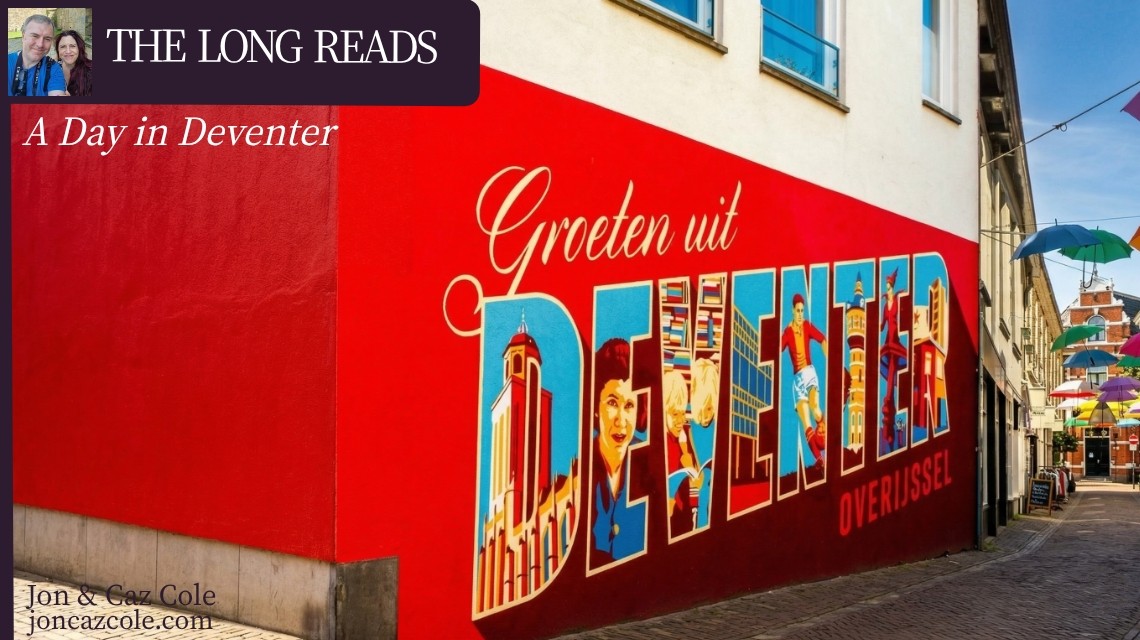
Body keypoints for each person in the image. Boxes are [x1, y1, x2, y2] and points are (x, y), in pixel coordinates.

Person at [590, 338, 645, 566]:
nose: (621, 421)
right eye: (612, 403)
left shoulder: (649, 463)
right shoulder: (581, 470)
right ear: (596, 407)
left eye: (629, 405)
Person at [780, 292, 827, 466]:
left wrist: (830, 358)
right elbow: (776, 349)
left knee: (815, 409)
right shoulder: (787, 332)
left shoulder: (807, 326)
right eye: (798, 311)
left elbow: (822, 339)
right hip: (797, 381)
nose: (800, 314)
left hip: (809, 373)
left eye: (802, 311)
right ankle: (819, 460)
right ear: (793, 310)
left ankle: (823, 426)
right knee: (806, 423)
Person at [879, 269, 908, 450]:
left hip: (895, 342)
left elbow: (903, 315)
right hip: (887, 342)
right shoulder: (885, 306)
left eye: (889, 286)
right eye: (886, 286)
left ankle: (889, 403)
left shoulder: (897, 300)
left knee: (892, 375)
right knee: (890, 375)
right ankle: (889, 404)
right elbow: (882, 325)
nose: (887, 289)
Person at [7, 15, 66, 97]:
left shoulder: (53, 69)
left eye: (47, 39)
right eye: (35, 36)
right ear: (23, 36)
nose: (40, 44)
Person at [56, 30, 93, 96]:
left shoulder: (90, 70)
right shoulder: (52, 70)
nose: (68, 51)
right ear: (58, 50)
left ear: (79, 48)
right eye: (63, 47)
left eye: (72, 46)